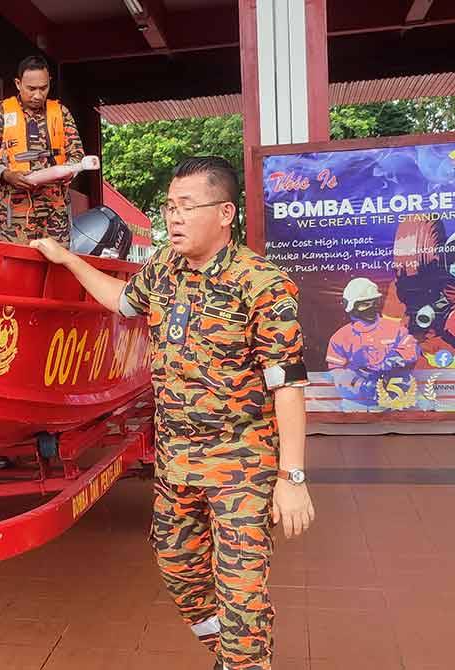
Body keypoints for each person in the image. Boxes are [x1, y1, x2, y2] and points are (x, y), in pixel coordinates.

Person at [30, 156, 315, 670]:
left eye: (187, 207)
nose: (174, 218)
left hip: (241, 462)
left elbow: (287, 387)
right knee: (178, 566)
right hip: (176, 458)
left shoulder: (264, 286)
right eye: (169, 207)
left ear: (225, 213)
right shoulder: (163, 267)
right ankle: (229, 654)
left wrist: (292, 478)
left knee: (241, 586)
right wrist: (69, 260)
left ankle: (245, 662)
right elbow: (123, 301)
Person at [0, 55, 84, 246]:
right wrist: (7, 175)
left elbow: (77, 154)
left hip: (56, 213)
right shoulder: (0, 113)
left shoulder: (61, 113)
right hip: (16, 215)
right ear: (18, 84)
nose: (37, 95)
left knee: (57, 270)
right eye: (31, 89)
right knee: (16, 270)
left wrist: (68, 171)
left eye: (43, 88)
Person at [327, 277, 419, 409]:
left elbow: (411, 347)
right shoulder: (340, 337)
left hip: (396, 400)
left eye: (374, 302)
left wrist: (397, 357)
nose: (371, 308)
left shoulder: (394, 328)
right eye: (365, 304)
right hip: (357, 404)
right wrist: (360, 386)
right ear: (351, 305)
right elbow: (337, 372)